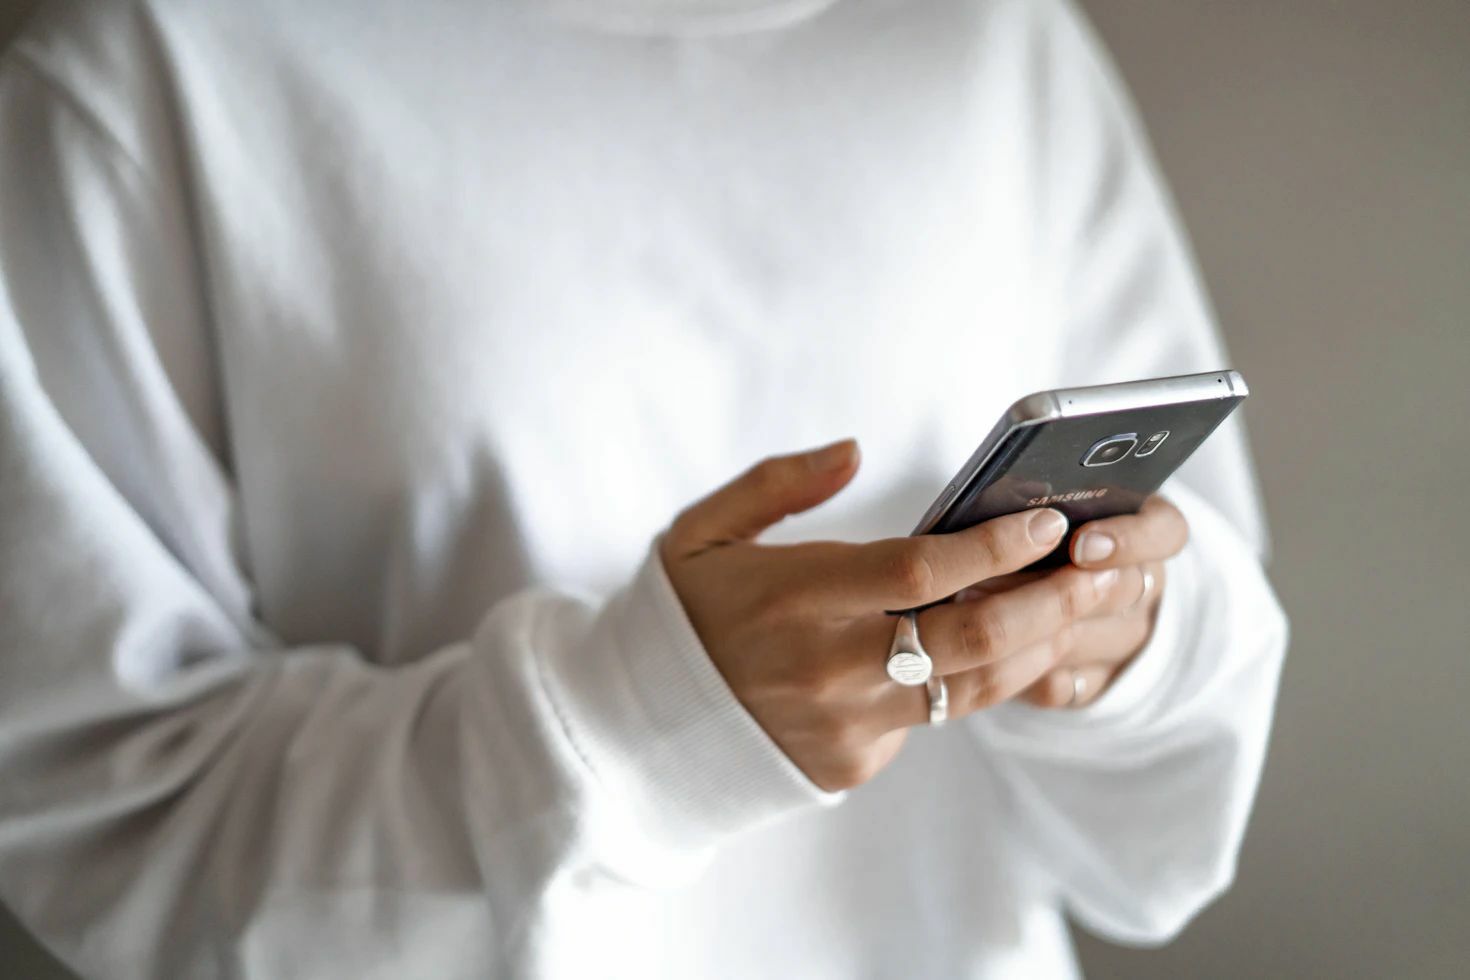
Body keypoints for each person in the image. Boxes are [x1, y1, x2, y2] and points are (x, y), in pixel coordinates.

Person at [0, 0, 1287, 976]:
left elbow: (1167, 840)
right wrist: (635, 723)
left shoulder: (995, 43)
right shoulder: (146, 68)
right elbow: (93, 813)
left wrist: (1118, 651)